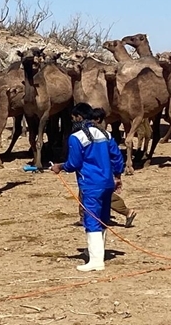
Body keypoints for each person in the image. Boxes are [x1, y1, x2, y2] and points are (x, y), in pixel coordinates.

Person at [51, 103, 124, 272]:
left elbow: (74, 163)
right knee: (103, 218)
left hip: (91, 184)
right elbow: (117, 157)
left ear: (78, 117)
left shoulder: (76, 137)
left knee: (91, 219)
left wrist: (60, 167)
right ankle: (99, 253)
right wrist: (118, 177)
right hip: (107, 183)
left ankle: (96, 261)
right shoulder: (106, 134)